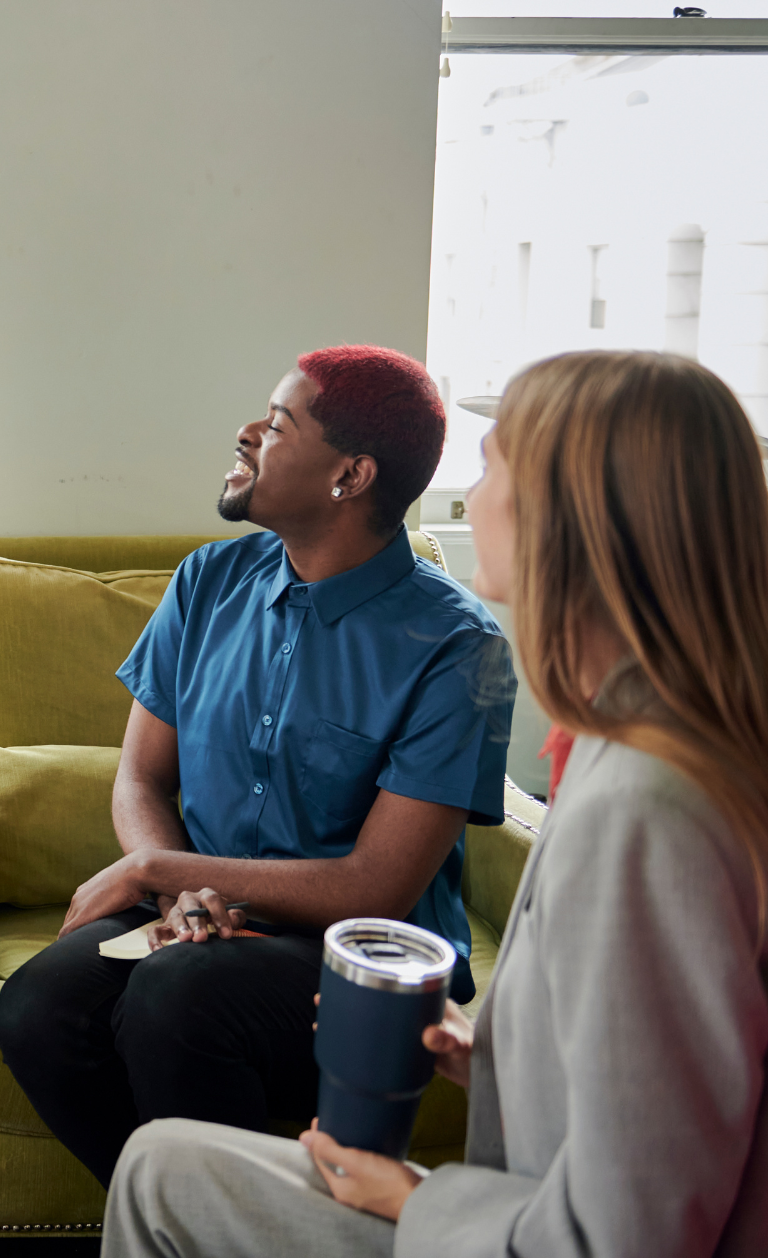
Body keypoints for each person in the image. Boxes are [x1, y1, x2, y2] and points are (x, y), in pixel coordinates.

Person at [100, 350, 768, 1257]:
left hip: (502, 1228)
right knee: (143, 1138)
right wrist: (481, 1054)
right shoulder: (631, 753)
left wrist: (415, 1201)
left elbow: (632, 1230)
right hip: (507, 1202)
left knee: (158, 1171)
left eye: (492, 468)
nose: (466, 496)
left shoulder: (643, 811)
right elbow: (641, 1068)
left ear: (574, 521)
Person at [0, 345, 516, 1186]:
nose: (246, 434)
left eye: (277, 425)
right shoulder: (207, 580)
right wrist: (178, 894)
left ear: (350, 476)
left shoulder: (457, 647)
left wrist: (159, 867)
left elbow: (377, 884)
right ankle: (187, 1226)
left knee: (175, 1002)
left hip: (355, 953)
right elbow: (140, 777)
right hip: (198, 913)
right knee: (38, 1009)